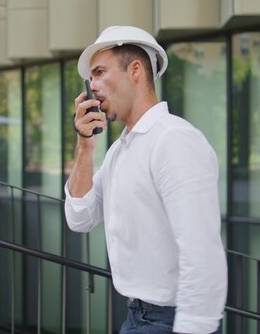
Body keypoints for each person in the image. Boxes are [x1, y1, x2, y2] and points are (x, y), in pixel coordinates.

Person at [64, 25, 227, 333]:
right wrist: (85, 146)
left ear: (135, 70)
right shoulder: (120, 150)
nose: (92, 86)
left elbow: (201, 252)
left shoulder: (174, 140)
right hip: (138, 317)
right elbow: (79, 218)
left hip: (172, 321)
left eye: (99, 72)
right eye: (91, 78)